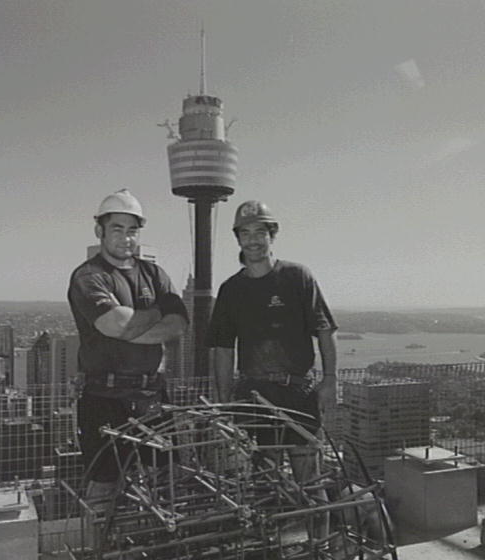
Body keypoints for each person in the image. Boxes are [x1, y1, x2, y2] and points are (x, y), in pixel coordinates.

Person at [207, 199, 337, 538]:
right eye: (245, 233)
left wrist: (330, 380)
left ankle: (320, 550)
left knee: (310, 481)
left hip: (297, 393)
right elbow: (222, 348)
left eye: (260, 232)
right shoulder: (231, 290)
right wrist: (223, 402)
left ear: (272, 235)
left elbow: (324, 329)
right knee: (264, 487)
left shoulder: (297, 277)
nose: (252, 240)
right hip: (254, 396)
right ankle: (271, 548)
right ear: (237, 238)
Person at [68, 189, 188, 498]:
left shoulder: (154, 273)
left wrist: (130, 328)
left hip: (151, 396)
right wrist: (160, 311)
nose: (126, 238)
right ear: (100, 231)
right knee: (104, 486)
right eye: (117, 229)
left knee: (167, 482)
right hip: (103, 398)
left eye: (132, 230)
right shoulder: (88, 276)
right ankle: (101, 548)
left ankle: (157, 544)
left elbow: (179, 324)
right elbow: (114, 324)